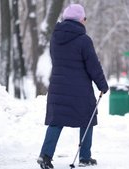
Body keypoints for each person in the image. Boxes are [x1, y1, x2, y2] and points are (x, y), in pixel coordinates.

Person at [37, 4, 109, 169]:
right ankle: (84, 157)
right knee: (88, 118)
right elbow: (93, 66)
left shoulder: (55, 37)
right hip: (79, 89)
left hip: (58, 87)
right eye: (84, 18)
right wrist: (102, 85)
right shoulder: (84, 40)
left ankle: (45, 155)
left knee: (56, 121)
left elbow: (56, 59)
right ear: (80, 19)